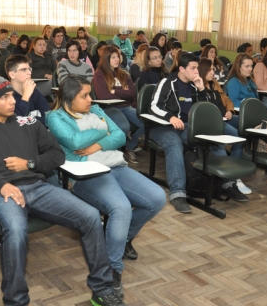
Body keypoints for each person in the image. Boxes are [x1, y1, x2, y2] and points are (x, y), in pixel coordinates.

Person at [0, 76, 132, 306]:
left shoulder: (26, 122)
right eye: (5, 98)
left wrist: (29, 163)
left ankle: (102, 289)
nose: (12, 101)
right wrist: (1, 183)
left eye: (12, 96)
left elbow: (56, 155)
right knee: (16, 232)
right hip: (4, 193)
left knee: (89, 216)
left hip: (37, 187)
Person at [46, 75, 166, 298]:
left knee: (157, 198)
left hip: (114, 165)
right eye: (84, 96)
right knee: (120, 208)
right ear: (69, 98)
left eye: (89, 94)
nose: (90, 100)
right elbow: (74, 142)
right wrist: (103, 131)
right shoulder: (55, 117)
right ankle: (112, 269)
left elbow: (121, 135)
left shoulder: (97, 111)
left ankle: (122, 238)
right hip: (87, 174)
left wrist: (98, 144)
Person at [149, 52, 248, 213]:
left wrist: (202, 90)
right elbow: (154, 106)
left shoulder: (196, 85)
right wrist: (170, 117)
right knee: (174, 145)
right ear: (181, 68)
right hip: (162, 126)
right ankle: (178, 194)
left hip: (187, 127)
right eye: (193, 68)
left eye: (197, 67)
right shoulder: (168, 82)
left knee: (213, 141)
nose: (196, 71)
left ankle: (228, 183)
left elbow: (209, 111)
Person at [92, 45, 144, 163]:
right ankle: (116, 152)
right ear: (106, 59)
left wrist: (115, 90)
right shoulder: (99, 74)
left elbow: (131, 94)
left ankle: (129, 147)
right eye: (113, 57)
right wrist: (123, 92)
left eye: (118, 57)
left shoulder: (124, 74)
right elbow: (103, 96)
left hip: (125, 106)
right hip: (109, 108)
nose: (117, 60)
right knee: (124, 127)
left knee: (146, 123)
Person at [198, 58, 246, 162]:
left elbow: (227, 99)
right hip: (215, 121)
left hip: (225, 116)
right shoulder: (198, 86)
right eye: (210, 70)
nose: (213, 72)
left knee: (245, 121)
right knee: (237, 135)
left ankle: (238, 159)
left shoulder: (215, 83)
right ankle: (233, 165)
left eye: (213, 69)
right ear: (203, 70)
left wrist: (229, 111)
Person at [6, 54, 51, 123]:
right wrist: (26, 97)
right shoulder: (6, 96)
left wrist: (30, 120)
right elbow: (15, 123)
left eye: (29, 69)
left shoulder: (34, 92)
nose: (29, 73)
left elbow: (49, 117)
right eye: (23, 70)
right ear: (12, 74)